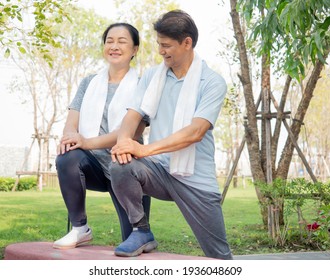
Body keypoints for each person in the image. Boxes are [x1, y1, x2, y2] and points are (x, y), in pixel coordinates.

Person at [110, 10, 233, 259]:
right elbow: (132, 115)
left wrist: (143, 149)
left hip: (196, 180)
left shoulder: (211, 82)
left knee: (219, 257)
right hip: (159, 171)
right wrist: (124, 141)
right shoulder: (153, 77)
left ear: (187, 43)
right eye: (159, 44)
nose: (161, 51)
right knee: (121, 165)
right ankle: (141, 230)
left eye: (166, 45)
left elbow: (195, 132)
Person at [53, 23, 151, 249]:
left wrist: (87, 141)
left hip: (126, 166)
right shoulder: (89, 82)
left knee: (134, 241)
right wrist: (70, 137)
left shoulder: (142, 85)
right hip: (93, 165)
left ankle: (139, 233)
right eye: (110, 41)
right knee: (67, 156)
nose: (114, 46)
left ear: (135, 49)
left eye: (122, 41)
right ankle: (80, 229)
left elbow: (133, 133)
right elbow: (71, 122)